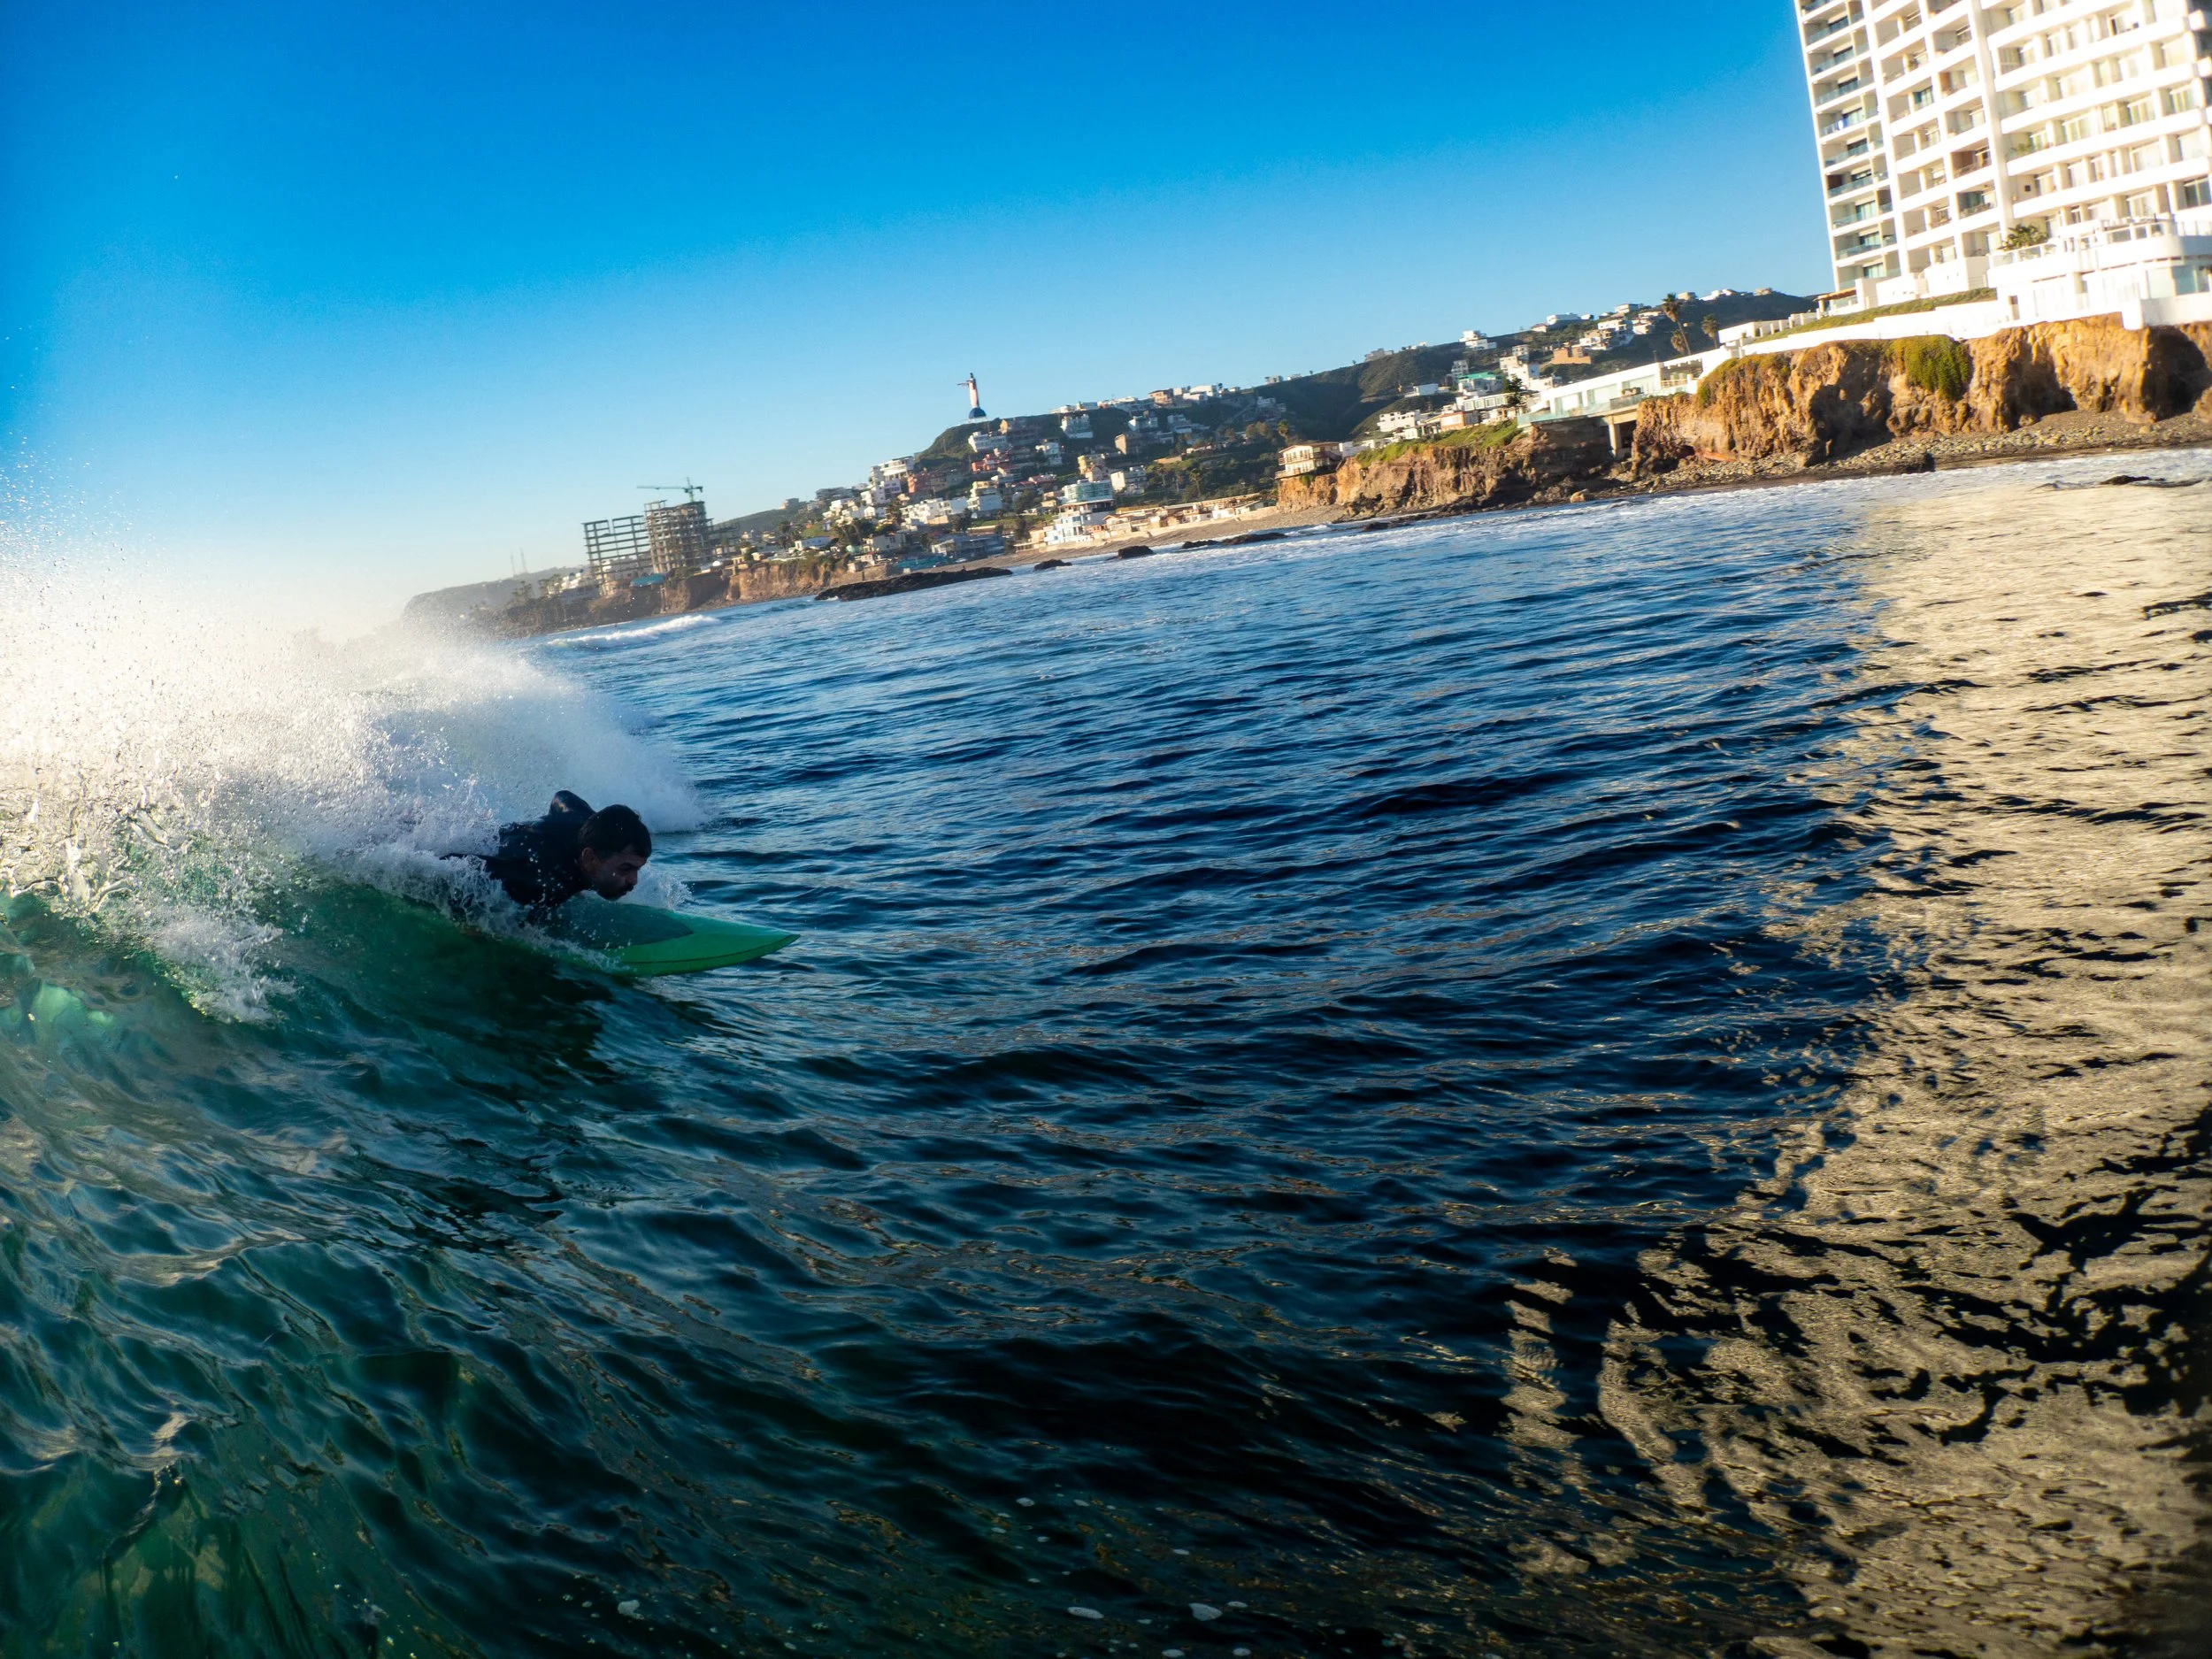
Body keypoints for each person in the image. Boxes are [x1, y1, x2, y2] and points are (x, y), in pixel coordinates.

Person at [475, 791, 652, 915]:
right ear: (590, 858)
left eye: (638, 869)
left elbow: (562, 796)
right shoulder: (545, 883)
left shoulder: (593, 824)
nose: (634, 880)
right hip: (492, 841)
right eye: (625, 868)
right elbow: (456, 865)